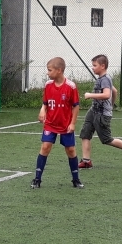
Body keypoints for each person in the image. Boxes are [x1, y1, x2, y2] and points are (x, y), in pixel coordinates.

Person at [78, 54, 122, 169]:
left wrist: (90, 95)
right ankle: (86, 161)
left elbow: (107, 94)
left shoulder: (105, 79)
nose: (92, 68)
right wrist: (111, 106)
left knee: (106, 139)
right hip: (93, 111)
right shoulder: (103, 79)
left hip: (101, 114)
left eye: (95, 65)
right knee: (85, 133)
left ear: (102, 66)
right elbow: (115, 91)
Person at [31, 57, 83, 189]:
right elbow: (45, 103)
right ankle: (37, 179)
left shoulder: (71, 86)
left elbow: (76, 106)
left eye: (50, 70)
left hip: (65, 124)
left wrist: (72, 123)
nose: (47, 73)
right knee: (45, 147)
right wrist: (42, 110)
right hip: (50, 123)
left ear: (59, 70)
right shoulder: (48, 85)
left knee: (70, 150)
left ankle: (76, 179)